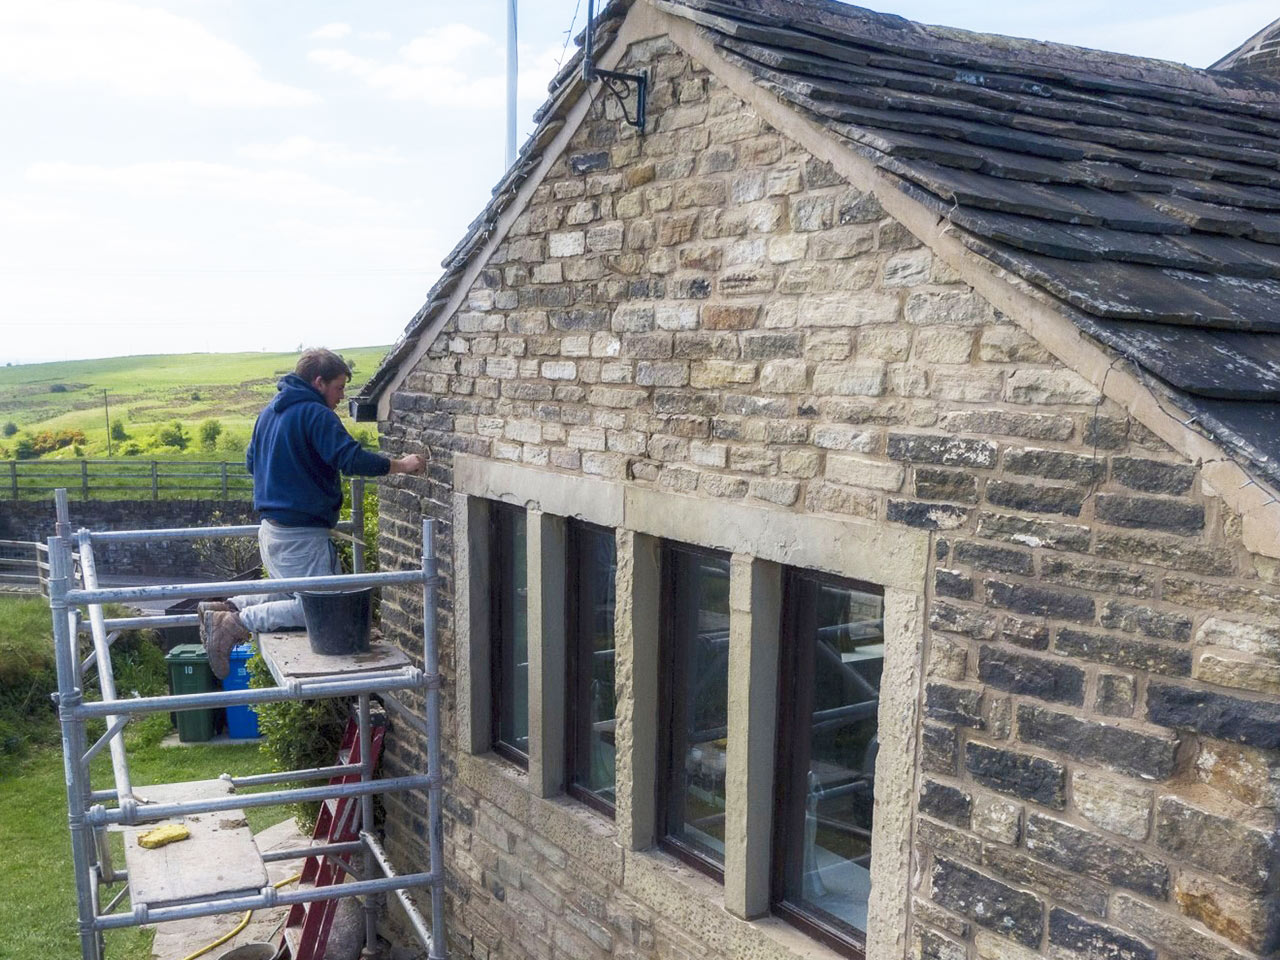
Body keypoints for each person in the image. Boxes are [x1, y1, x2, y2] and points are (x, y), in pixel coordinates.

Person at [199, 348, 425, 677]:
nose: (341, 396)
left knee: (289, 595)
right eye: (338, 387)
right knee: (318, 609)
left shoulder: (268, 414)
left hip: (272, 530)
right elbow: (350, 458)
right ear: (318, 382)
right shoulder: (315, 414)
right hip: (301, 535)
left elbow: (252, 463)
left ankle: (227, 606)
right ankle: (234, 622)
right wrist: (402, 465)